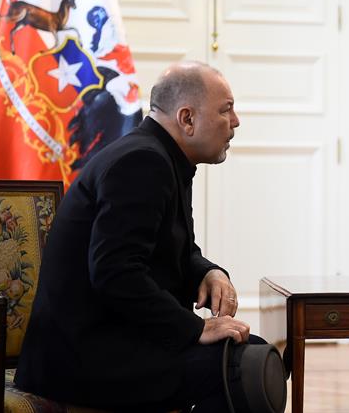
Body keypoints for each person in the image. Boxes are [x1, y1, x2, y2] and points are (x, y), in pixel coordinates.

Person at [16, 62, 264, 411]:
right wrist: (195, 329)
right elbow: (115, 273)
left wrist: (208, 272)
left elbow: (173, 247)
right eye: (226, 110)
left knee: (253, 357)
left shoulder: (161, 156)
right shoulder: (143, 163)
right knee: (249, 368)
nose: (235, 122)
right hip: (84, 357)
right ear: (187, 119)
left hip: (118, 340)